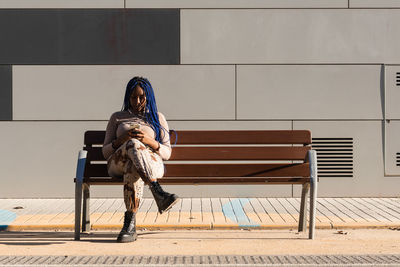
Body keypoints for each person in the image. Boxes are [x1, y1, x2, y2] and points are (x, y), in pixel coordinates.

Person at [102, 76, 179, 243]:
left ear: (148, 96)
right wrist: (122, 140)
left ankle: (129, 224)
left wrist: (148, 140)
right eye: (133, 97)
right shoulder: (117, 117)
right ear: (127, 97)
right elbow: (105, 152)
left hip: (151, 162)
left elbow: (166, 153)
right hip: (118, 162)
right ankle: (157, 192)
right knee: (132, 145)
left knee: (133, 166)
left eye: (141, 97)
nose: (137, 101)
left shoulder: (157, 117)